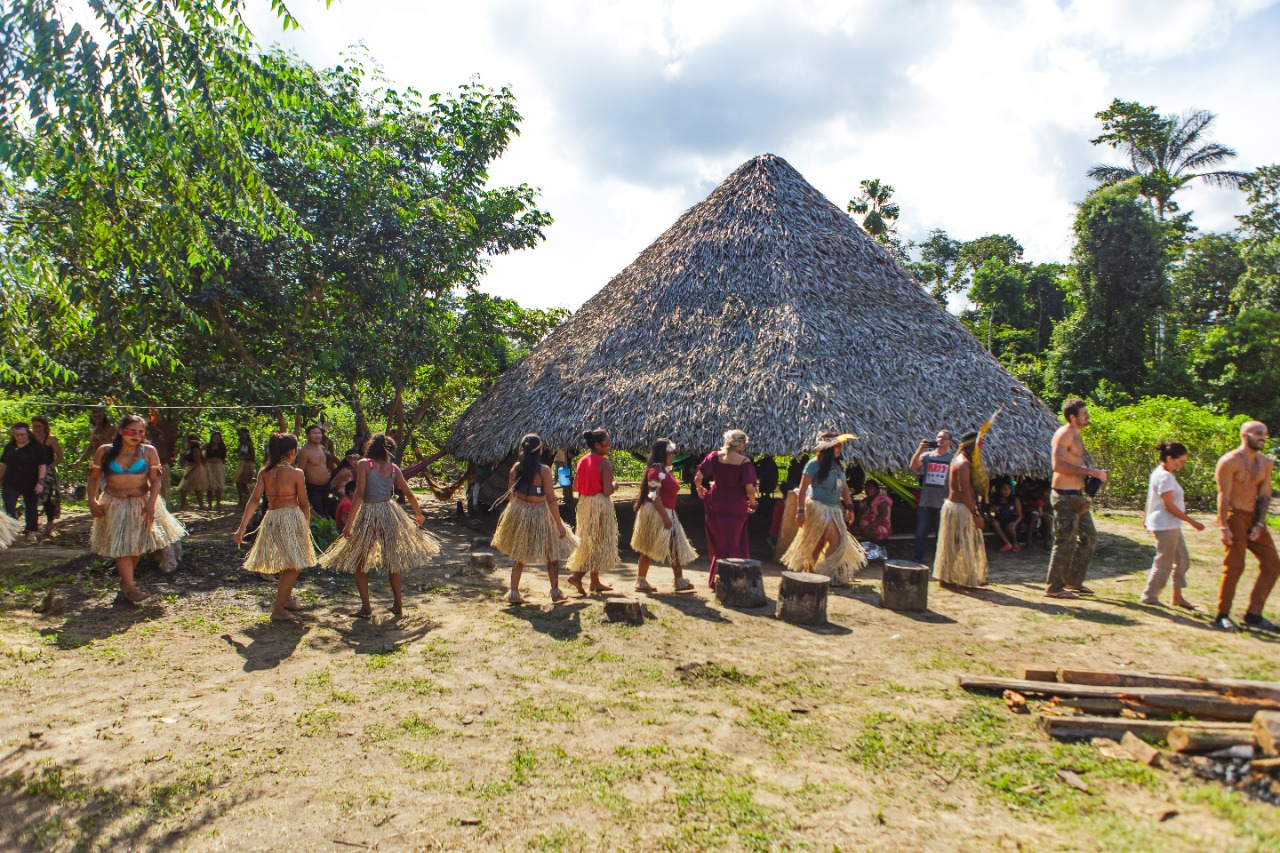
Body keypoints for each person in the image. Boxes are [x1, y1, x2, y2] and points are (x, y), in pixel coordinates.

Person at [318, 433, 438, 617]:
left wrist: (349, 524)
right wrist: (418, 513)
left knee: (359, 563)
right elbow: (409, 492)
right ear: (389, 451)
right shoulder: (393, 468)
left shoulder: (365, 464)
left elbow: (358, 494)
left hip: (369, 514)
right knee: (392, 562)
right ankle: (398, 604)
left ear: (371, 447)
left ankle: (366, 607)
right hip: (389, 513)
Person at [87, 414, 187, 603]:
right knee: (123, 547)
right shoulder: (105, 451)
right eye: (131, 430)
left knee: (135, 546)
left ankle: (126, 584)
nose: (136, 435)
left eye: (140, 431)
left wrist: (150, 504)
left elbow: (156, 480)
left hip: (140, 503)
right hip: (114, 504)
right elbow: (93, 478)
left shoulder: (148, 451)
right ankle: (131, 588)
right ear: (120, 431)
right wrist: (92, 501)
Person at [234, 433, 315, 621]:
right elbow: (304, 503)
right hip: (290, 518)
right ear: (293, 452)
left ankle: (286, 600)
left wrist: (242, 528)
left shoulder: (264, 471)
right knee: (294, 565)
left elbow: (254, 500)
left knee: (291, 562)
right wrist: (306, 524)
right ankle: (278, 608)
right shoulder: (296, 473)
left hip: (272, 518)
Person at [493, 433, 578, 604]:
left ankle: (514, 593)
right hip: (540, 513)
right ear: (540, 450)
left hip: (520, 511)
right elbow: (552, 499)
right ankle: (555, 591)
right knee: (551, 553)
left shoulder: (516, 467)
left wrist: (516, 512)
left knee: (520, 553)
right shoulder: (544, 470)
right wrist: (559, 525)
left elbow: (511, 494)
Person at [1212, 421, 1279, 632]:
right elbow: (1223, 495)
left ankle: (1254, 614)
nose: (1262, 437)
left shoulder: (1266, 463)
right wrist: (1223, 526)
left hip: (1254, 518)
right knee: (1235, 566)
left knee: (1273, 565)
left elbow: (1265, 494)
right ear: (1244, 435)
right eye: (1258, 433)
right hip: (1234, 516)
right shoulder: (1229, 461)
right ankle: (1222, 614)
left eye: (1265, 434)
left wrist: (1260, 523)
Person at [782, 432, 865, 586]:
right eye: (837, 446)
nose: (840, 449)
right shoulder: (814, 464)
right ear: (827, 448)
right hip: (819, 508)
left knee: (820, 542)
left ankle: (811, 572)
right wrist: (800, 512)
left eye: (840, 446)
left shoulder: (837, 466)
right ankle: (826, 574)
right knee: (836, 540)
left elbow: (844, 487)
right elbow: (802, 489)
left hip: (833, 508)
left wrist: (850, 507)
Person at [1045, 399, 1108, 599]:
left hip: (1076, 497)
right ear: (1073, 417)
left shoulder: (1076, 435)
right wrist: (1089, 470)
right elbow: (1058, 466)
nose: (1087, 416)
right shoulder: (1064, 435)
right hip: (1064, 498)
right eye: (1084, 413)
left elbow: (1072, 466)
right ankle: (1054, 587)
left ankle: (1074, 581)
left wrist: (1090, 476)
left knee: (1090, 537)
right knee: (1065, 542)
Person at [1141, 441, 1204, 609]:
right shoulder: (1165, 476)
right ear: (1169, 458)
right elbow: (1167, 504)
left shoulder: (1161, 472)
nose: (1182, 464)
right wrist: (1192, 522)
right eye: (1180, 461)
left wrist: (1145, 517)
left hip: (1169, 524)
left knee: (1182, 560)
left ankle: (1177, 597)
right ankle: (1149, 595)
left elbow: (1151, 498)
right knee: (1165, 562)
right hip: (1165, 525)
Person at [632, 438, 697, 594]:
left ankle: (679, 580)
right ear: (663, 453)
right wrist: (665, 517)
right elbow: (654, 496)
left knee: (674, 547)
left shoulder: (665, 471)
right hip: (657, 513)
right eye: (670, 452)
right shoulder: (656, 472)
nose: (673, 455)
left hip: (667, 512)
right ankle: (641, 581)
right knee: (647, 547)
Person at [695, 429, 759, 588]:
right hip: (735, 504)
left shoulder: (715, 457)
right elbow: (750, 489)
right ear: (741, 443)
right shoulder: (744, 462)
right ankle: (733, 582)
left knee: (718, 542)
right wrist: (753, 503)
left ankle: (717, 579)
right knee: (734, 542)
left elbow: (698, 477)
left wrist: (699, 489)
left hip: (715, 502)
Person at [566, 428, 619, 595]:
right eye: (607, 443)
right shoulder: (604, 463)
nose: (610, 445)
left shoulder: (582, 460)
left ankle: (595, 582)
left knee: (592, 541)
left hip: (584, 503)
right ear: (597, 444)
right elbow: (608, 490)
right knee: (596, 544)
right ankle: (577, 576)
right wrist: (615, 485)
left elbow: (575, 486)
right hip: (599, 504)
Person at [934, 431, 988, 587]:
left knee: (956, 543)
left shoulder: (961, 460)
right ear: (972, 446)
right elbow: (964, 491)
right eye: (980, 443)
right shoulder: (963, 463)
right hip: (960, 508)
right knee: (962, 543)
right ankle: (955, 578)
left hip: (958, 507)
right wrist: (975, 514)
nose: (982, 446)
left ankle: (948, 578)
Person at [909, 430, 955, 563]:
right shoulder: (927, 456)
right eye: (938, 437)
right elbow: (913, 466)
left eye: (944, 438)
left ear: (949, 442)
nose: (940, 439)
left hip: (944, 503)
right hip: (926, 503)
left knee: (941, 536)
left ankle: (939, 562)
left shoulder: (951, 458)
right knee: (921, 534)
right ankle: (917, 561)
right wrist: (920, 449)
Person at [0, 423, 48, 545]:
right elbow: (3, 464)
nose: (19, 437)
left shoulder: (37, 447)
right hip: (10, 482)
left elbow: (42, 466)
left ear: (28, 434)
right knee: (9, 506)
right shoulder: (9, 447)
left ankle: (32, 531)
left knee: (31, 507)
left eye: (22, 435)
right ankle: (11, 531)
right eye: (16, 435)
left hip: (31, 482)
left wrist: (40, 482)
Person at [29, 416, 63, 540]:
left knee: (47, 498)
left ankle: (50, 524)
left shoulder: (50, 439)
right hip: (32, 472)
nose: (36, 429)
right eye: (34, 426)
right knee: (30, 497)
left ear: (44, 426)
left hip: (47, 473)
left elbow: (60, 457)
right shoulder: (29, 438)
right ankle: (31, 525)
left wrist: (50, 466)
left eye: (39, 426)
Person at [297, 424, 337, 518]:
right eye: (314, 433)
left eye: (319, 433)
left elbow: (330, 460)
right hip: (313, 488)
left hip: (326, 485)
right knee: (318, 513)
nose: (318, 435)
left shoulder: (322, 447)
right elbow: (300, 471)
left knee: (326, 510)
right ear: (307, 436)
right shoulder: (305, 451)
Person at [146, 409, 177, 505]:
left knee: (164, 489)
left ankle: (165, 506)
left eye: (156, 433)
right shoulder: (148, 444)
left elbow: (171, 454)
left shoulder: (164, 443)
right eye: (152, 433)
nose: (154, 434)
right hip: (150, 469)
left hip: (163, 466)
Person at [853, 479, 893, 543]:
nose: (868, 490)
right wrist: (856, 525)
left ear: (877, 490)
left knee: (871, 533)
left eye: (871, 488)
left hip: (880, 526)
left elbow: (883, 515)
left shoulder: (881, 500)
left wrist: (870, 526)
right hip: (865, 526)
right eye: (866, 488)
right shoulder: (865, 501)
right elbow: (859, 514)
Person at [990, 479, 1023, 553]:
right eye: (1004, 489)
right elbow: (990, 511)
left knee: (1010, 526)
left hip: (1012, 520)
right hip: (1000, 520)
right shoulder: (995, 500)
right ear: (999, 489)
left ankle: (1015, 543)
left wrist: (1014, 524)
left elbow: (1020, 515)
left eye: (1008, 489)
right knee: (994, 523)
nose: (1006, 491)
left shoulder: (1015, 500)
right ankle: (1007, 543)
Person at [1018, 478, 1051, 549]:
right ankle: (1029, 541)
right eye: (1047, 492)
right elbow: (1025, 508)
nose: (1048, 494)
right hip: (1029, 516)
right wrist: (1036, 511)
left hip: (1042, 516)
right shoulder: (1032, 496)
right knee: (1034, 516)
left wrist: (1042, 513)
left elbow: (1048, 510)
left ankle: (1046, 542)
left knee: (1047, 518)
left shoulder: (1048, 499)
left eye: (1049, 492)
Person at [177, 435, 206, 510]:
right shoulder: (189, 449)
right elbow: (186, 460)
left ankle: (201, 506)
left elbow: (197, 462)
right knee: (183, 489)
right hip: (189, 467)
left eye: (187, 440)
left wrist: (189, 472)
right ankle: (182, 505)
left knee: (197, 488)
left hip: (195, 469)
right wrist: (183, 457)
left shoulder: (195, 449)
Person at [201, 431, 227, 508]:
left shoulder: (222, 447)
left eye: (218, 437)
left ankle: (218, 503)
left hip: (218, 467)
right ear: (212, 438)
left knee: (218, 486)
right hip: (208, 467)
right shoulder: (207, 446)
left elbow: (224, 458)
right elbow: (198, 450)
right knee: (209, 486)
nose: (216, 439)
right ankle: (209, 504)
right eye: (215, 437)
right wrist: (202, 459)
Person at [234, 427, 256, 507]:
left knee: (242, 483)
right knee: (238, 483)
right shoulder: (241, 445)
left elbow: (253, 458)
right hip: (241, 463)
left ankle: (247, 501)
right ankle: (241, 501)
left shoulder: (250, 445)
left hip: (247, 464)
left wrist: (245, 454)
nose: (240, 437)